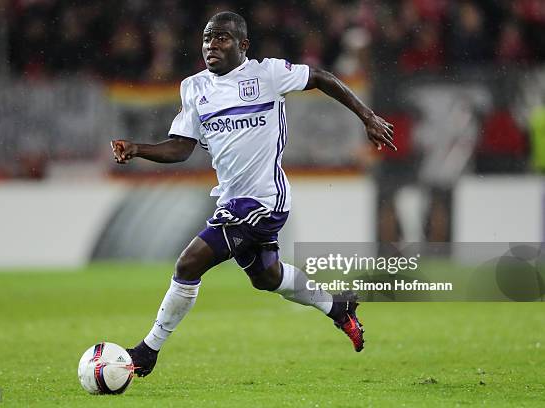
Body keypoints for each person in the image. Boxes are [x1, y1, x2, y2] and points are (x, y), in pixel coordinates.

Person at [110, 11, 396, 377]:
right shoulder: (194, 88)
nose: (212, 45)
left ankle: (147, 350)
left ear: (243, 45)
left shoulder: (267, 74)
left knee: (188, 263)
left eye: (222, 38)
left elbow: (321, 78)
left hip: (264, 199)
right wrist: (138, 149)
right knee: (267, 276)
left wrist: (367, 117)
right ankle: (339, 309)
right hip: (232, 200)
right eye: (207, 38)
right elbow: (181, 148)